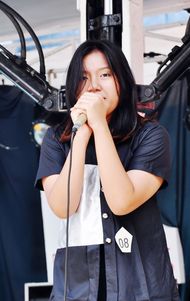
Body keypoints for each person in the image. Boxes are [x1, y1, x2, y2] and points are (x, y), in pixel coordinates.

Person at [35, 39, 180, 301]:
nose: (93, 86)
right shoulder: (57, 140)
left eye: (104, 75)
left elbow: (122, 201)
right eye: (84, 78)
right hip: (77, 289)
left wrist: (99, 125)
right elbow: (62, 207)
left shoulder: (150, 136)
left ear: (121, 81)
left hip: (140, 289)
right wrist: (80, 135)